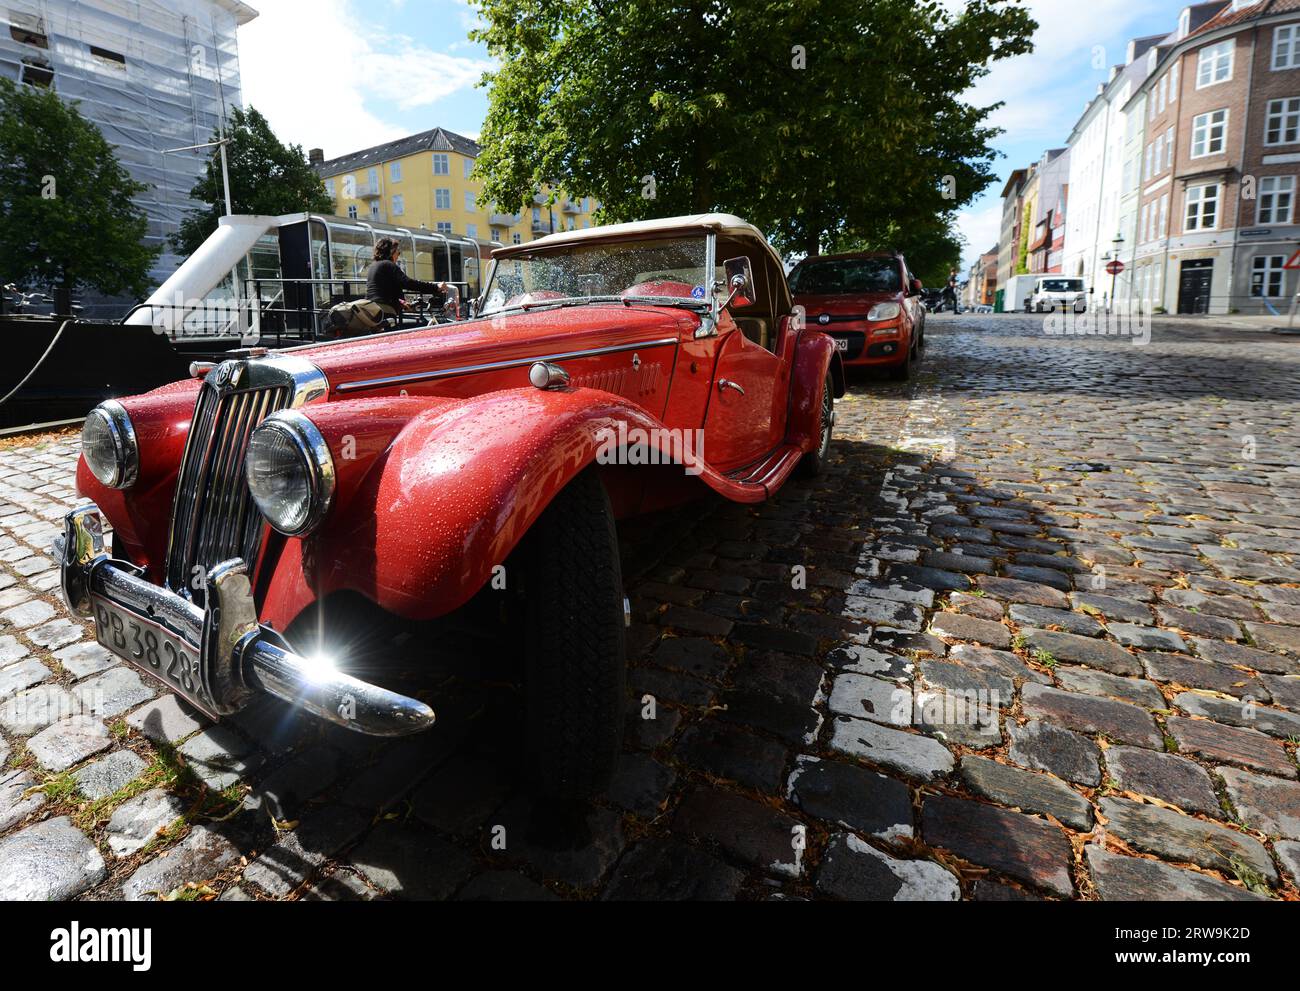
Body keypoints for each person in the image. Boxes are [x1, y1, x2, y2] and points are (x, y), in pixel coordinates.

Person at [366, 237, 448, 320]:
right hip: (385, 309)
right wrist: (436, 287)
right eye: (398, 252)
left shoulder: (374, 266)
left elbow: (382, 289)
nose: (398, 255)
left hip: (373, 308)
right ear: (391, 251)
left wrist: (400, 302)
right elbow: (407, 283)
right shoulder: (388, 265)